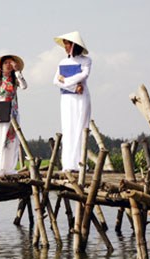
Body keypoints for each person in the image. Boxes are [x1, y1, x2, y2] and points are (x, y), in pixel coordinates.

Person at [53, 31, 92, 172]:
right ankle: (68, 164)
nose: (65, 47)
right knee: (68, 128)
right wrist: (74, 86)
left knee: (80, 128)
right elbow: (55, 81)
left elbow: (84, 75)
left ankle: (80, 163)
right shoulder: (62, 62)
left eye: (67, 44)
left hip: (82, 98)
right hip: (67, 97)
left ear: (74, 45)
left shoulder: (86, 60)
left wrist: (66, 80)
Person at [0, 54, 27, 176]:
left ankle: (10, 168)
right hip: (1, 113)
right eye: (6, 63)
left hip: (14, 113)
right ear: (0, 67)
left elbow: (24, 86)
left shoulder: (15, 79)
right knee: (1, 140)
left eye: (11, 63)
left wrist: (18, 72)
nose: (9, 65)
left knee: (13, 141)